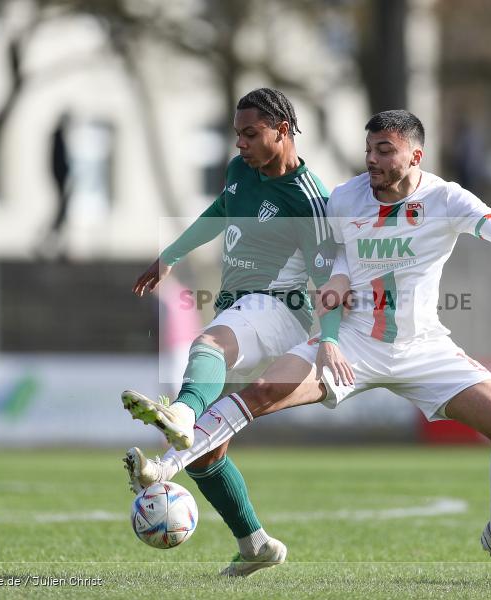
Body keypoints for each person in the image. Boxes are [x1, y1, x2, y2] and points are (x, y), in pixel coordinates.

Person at [124, 110, 491, 587]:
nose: (373, 160)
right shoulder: (345, 199)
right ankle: (163, 468)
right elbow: (334, 274)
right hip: (355, 343)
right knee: (257, 395)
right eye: (368, 150)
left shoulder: (446, 199)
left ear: (415, 156)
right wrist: (330, 338)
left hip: (423, 347)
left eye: (385, 150)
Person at [124, 88, 336, 577]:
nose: (239, 144)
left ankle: (179, 411)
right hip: (242, 306)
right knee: (206, 453)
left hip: (281, 310)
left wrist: (331, 340)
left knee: (208, 343)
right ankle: (256, 544)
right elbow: (221, 211)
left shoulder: (310, 199)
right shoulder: (242, 171)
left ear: (282, 131)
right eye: (236, 133)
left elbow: (328, 281)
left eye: (249, 133)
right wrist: (170, 255)